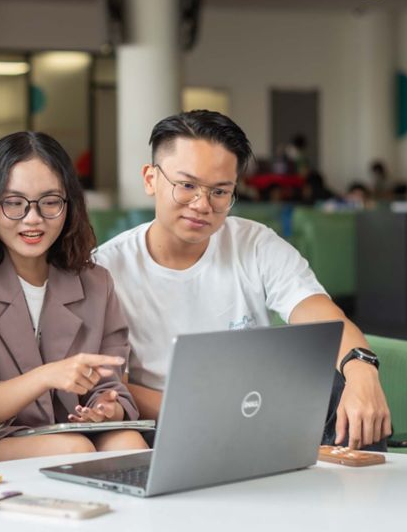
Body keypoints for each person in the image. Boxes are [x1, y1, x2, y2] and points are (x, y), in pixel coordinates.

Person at [95, 110, 391, 451]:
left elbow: (320, 314)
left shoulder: (255, 244)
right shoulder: (106, 268)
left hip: (255, 411)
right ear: (151, 179)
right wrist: (209, 413)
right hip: (168, 423)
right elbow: (113, 386)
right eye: (187, 186)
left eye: (220, 192)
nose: (202, 205)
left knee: (339, 383)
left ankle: (354, 481)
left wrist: (362, 368)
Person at [0, 131, 147, 462]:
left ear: (69, 204)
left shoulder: (96, 283)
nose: (33, 218)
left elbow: (109, 384)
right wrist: (47, 375)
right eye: (14, 203)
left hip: (73, 431)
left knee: (128, 442)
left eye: (50, 202)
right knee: (73, 449)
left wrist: (105, 409)